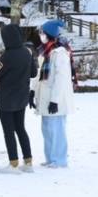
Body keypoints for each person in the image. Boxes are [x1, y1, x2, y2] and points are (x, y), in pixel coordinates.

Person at [0, 23, 37, 173]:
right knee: (21, 128)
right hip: (22, 97)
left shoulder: (6, 56)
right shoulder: (27, 52)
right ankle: (28, 162)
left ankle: (13, 163)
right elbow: (33, 73)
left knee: (9, 131)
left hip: (6, 100)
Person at [34, 20, 74, 168]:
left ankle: (60, 159)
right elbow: (39, 74)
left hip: (56, 98)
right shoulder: (44, 51)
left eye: (42, 32)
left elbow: (61, 78)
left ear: (49, 34)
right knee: (47, 130)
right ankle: (50, 158)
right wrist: (33, 91)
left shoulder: (60, 52)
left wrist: (55, 100)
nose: (40, 35)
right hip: (45, 96)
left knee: (57, 130)